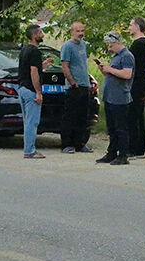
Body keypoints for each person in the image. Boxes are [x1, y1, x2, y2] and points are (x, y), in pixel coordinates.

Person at [95, 31, 134, 166]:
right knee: (111, 128)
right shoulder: (116, 56)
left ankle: (123, 155)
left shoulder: (127, 56)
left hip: (120, 98)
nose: (109, 48)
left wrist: (110, 70)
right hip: (110, 97)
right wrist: (105, 70)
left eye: (111, 46)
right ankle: (111, 153)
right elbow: (114, 73)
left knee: (121, 128)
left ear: (117, 42)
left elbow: (127, 74)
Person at [17, 24, 52, 159]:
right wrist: (38, 91)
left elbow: (29, 68)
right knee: (33, 121)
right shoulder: (35, 51)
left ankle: (28, 148)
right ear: (34, 35)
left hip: (22, 88)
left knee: (28, 121)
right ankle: (30, 150)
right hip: (31, 90)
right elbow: (33, 72)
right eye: (40, 32)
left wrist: (43, 65)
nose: (42, 35)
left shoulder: (25, 50)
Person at [60, 22, 94, 154]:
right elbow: (65, 66)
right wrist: (73, 82)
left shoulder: (83, 45)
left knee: (82, 116)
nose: (81, 33)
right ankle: (67, 144)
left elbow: (82, 64)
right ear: (72, 32)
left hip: (85, 85)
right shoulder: (67, 47)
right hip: (73, 86)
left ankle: (80, 143)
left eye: (82, 30)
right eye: (78, 31)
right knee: (70, 116)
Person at [126, 16, 145, 158]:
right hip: (139, 82)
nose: (129, 28)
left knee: (134, 116)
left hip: (136, 83)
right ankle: (137, 148)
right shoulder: (140, 43)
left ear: (137, 27)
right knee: (136, 115)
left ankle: (135, 148)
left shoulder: (138, 44)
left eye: (130, 25)